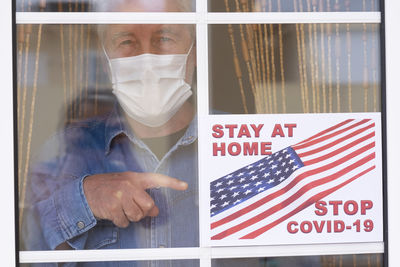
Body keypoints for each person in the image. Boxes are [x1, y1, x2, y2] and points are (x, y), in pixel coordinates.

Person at [22, 0, 199, 266]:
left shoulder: (245, 141)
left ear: (194, 54)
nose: (146, 61)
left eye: (164, 37)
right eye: (126, 41)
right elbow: (25, 251)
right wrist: (85, 199)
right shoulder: (62, 152)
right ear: (107, 63)